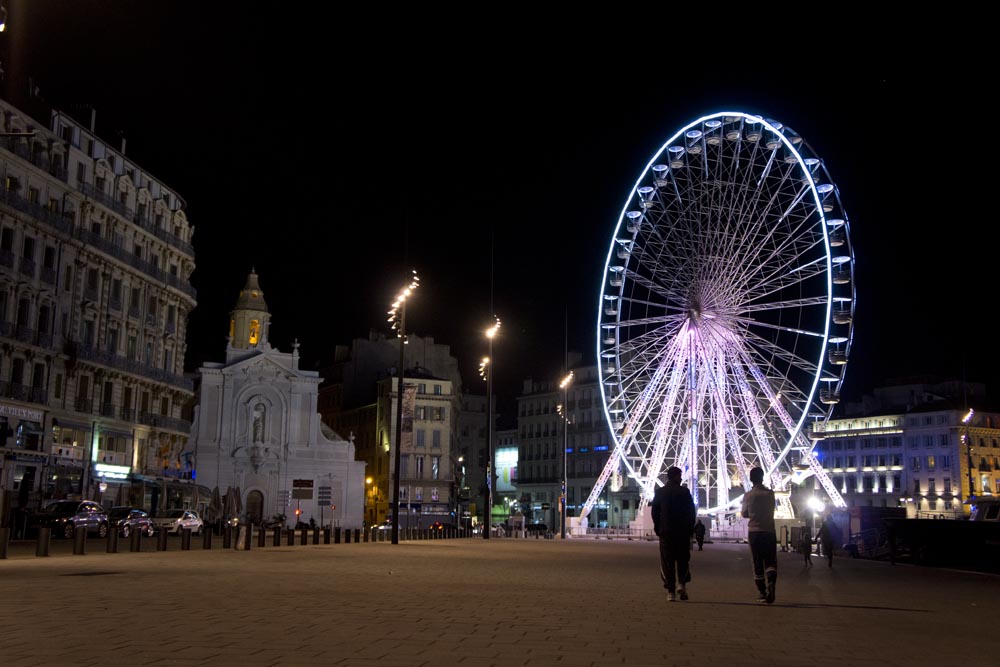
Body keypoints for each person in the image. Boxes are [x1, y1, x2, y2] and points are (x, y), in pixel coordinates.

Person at [650, 466, 696, 601]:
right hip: (682, 532)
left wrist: (658, 527)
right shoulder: (684, 492)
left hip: (666, 532)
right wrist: (690, 529)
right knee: (683, 560)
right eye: (680, 476)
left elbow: (655, 513)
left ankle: (670, 591)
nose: (681, 479)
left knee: (667, 561)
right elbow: (691, 512)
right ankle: (682, 584)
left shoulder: (659, 493)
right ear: (676, 476)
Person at [741, 467, 777, 604]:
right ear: (762, 477)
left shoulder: (748, 495)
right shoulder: (770, 494)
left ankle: (762, 592)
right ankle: (772, 582)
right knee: (770, 561)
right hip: (769, 531)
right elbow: (773, 509)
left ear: (751, 479)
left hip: (754, 532)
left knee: (757, 562)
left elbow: (744, 513)